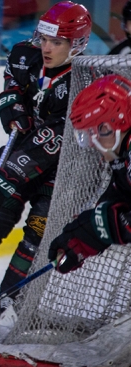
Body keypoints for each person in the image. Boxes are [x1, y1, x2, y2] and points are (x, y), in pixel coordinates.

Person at [0, 1, 92, 324]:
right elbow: (13, 82)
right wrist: (12, 105)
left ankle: (9, 304)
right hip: (21, 152)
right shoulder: (26, 54)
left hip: (62, 173)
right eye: (45, 39)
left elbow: (51, 142)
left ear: (76, 45)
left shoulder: (84, 82)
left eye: (58, 43)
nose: (47, 48)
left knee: (37, 237)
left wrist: (2, 178)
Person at [48, 74, 131, 273]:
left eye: (89, 133)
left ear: (109, 127)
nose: (91, 143)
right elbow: (120, 194)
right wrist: (82, 236)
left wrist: (97, 230)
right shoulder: (123, 154)